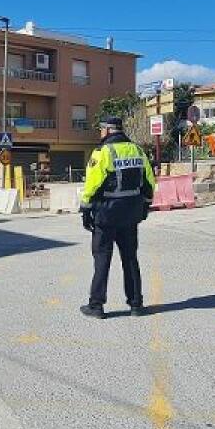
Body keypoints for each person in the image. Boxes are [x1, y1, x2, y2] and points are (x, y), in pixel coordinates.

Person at [79, 116, 156, 319]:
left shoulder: (103, 152)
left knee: (102, 259)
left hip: (106, 214)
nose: (100, 134)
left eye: (101, 130)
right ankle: (136, 304)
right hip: (131, 214)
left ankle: (96, 306)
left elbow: (92, 185)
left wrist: (85, 209)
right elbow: (149, 182)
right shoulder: (137, 150)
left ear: (107, 130)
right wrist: (146, 204)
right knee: (130, 259)